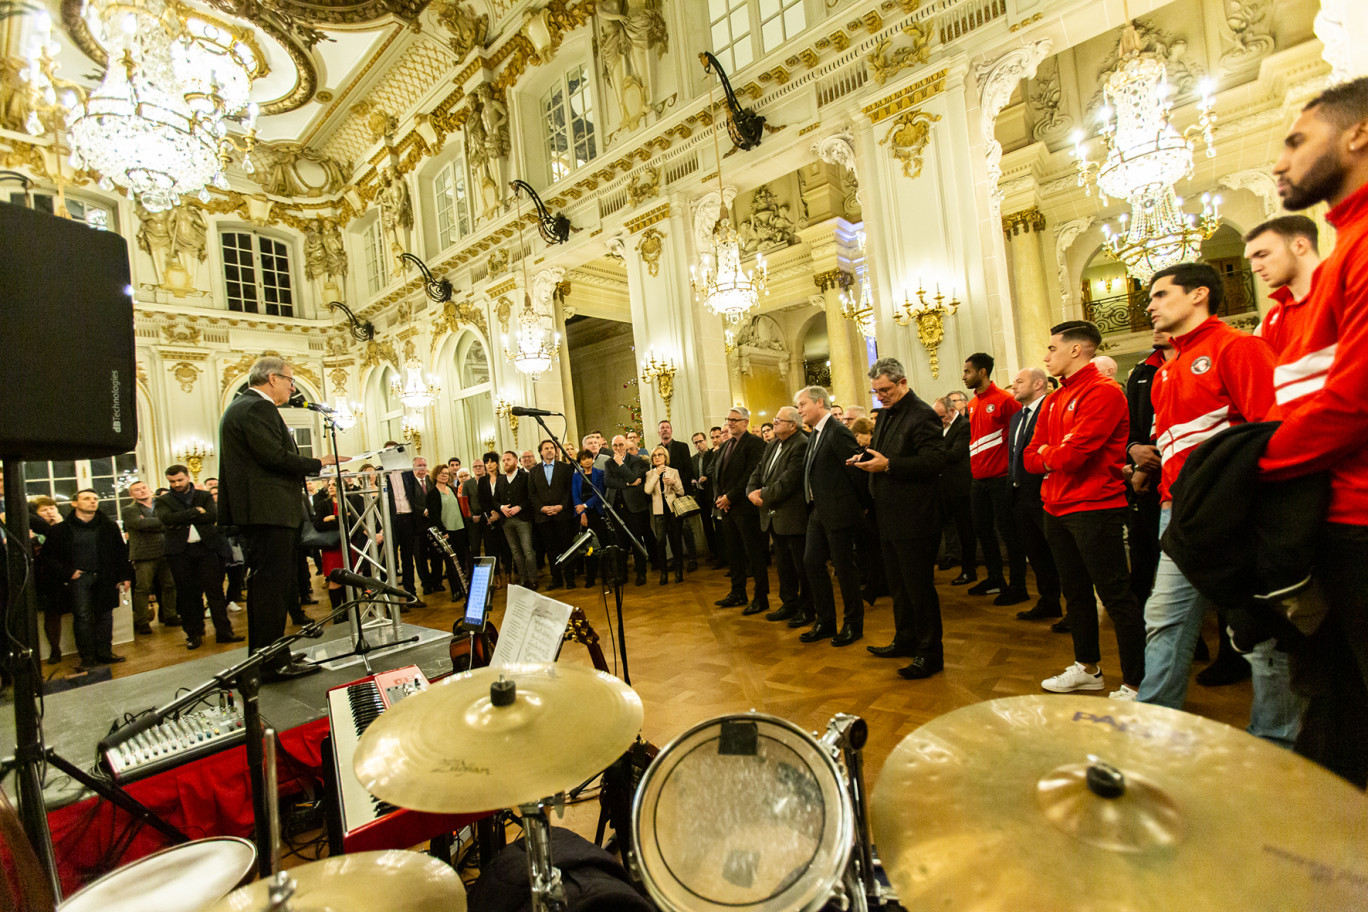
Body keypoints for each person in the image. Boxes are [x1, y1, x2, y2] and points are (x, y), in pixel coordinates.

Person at [1256, 77, 1368, 784]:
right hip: (1335, 510)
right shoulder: (1346, 243)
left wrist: (1249, 470)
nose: (1280, 161)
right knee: (1337, 707)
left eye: (1297, 140)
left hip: (1361, 515)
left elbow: (1354, 400)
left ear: (1357, 135)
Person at [1137, 263, 1299, 742]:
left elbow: (1271, 433)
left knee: (1257, 633)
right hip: (1180, 513)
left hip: (1236, 514)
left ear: (1199, 295)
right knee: (1163, 619)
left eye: (1161, 294)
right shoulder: (1168, 371)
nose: (1150, 305)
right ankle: (1152, 726)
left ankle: (1275, 740)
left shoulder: (1238, 347)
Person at [1024, 322, 1146, 699]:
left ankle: (1135, 682)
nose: (1046, 357)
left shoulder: (1103, 392)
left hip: (1095, 506)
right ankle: (1088, 667)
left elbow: (1074, 456)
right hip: (1056, 506)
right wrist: (1049, 454)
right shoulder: (1057, 398)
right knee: (1074, 593)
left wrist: (1050, 453)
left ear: (1077, 350)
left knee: (1115, 595)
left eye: (1051, 348)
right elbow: (1030, 456)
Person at [218, 356, 336, 682]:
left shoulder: (243, 406)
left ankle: (268, 655)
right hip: (267, 511)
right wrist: (317, 462)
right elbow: (272, 456)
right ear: (272, 378)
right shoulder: (258, 407)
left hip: (262, 511)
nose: (292, 386)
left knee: (266, 587)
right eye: (289, 380)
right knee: (271, 588)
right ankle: (270, 663)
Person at [851, 358, 948, 678]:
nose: (881, 396)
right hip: (891, 515)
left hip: (916, 516)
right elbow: (888, 451)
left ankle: (930, 653)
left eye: (886, 390)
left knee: (918, 588)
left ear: (903, 383)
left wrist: (888, 466)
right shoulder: (889, 414)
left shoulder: (922, 414)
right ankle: (905, 639)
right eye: (876, 391)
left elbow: (934, 462)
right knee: (899, 587)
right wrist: (864, 458)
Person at [795, 386, 866, 646]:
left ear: (819, 403)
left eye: (802, 404)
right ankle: (825, 622)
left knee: (845, 569)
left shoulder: (837, 431)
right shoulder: (815, 433)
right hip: (817, 511)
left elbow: (856, 471)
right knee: (811, 562)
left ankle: (852, 624)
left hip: (838, 511)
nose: (799, 409)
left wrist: (860, 507)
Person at [962, 353, 1027, 605]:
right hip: (978, 479)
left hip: (1000, 479)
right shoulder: (972, 403)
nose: (964, 376)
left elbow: (1018, 440)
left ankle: (1018, 586)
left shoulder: (1005, 400)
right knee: (982, 530)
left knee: (1009, 534)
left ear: (982, 372)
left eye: (968, 371)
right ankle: (995, 578)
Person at [42, 490, 131, 671]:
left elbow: (120, 552)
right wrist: (68, 572)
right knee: (82, 617)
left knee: (105, 615)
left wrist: (124, 575)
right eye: (86, 499)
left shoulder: (108, 526)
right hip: (80, 578)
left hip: (105, 576)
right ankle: (88, 657)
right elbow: (48, 557)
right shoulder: (62, 529)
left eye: (95, 499)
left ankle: (105, 652)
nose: (92, 502)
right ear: (74, 504)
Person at [158, 465, 241, 650]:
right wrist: (195, 512)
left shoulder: (203, 496)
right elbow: (166, 519)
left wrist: (181, 518)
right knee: (188, 594)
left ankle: (224, 632)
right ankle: (194, 634)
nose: (177, 484)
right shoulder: (164, 500)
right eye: (172, 481)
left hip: (206, 548)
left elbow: (212, 516)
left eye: (180, 480)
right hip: (179, 552)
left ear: (188, 477)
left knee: (215, 592)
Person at [1006, 369, 1062, 624]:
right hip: (1021, 493)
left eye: (1019, 381)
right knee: (1036, 552)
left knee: (1059, 553)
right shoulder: (1018, 417)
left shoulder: (1051, 409)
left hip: (1045, 491)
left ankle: (1075, 609)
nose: (1014, 386)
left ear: (1039, 384)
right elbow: (1015, 454)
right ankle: (1048, 601)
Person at [746, 406, 809, 624]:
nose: (774, 423)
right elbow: (758, 471)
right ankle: (788, 603)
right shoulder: (773, 444)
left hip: (793, 515)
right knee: (783, 566)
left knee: (801, 568)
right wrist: (750, 492)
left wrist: (762, 495)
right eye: (774, 419)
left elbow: (789, 482)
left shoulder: (801, 444)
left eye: (778, 420)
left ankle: (807, 608)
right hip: (774, 515)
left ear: (793, 425)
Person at [712, 407, 768, 612]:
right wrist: (720, 498)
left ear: (746, 422)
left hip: (745, 507)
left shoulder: (755, 443)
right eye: (728, 419)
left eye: (735, 419)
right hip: (727, 508)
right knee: (733, 553)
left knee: (753, 555)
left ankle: (761, 597)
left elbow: (750, 474)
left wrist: (729, 497)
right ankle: (738, 592)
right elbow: (718, 474)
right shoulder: (726, 444)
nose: (731, 423)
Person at [1244, 215, 1322, 356]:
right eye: (1250, 261)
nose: (1254, 268)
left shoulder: (1349, 292)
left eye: (1262, 255)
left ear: (1299, 246)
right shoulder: (1270, 322)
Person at [123, 480, 178, 635]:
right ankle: (142, 621)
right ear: (131, 494)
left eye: (144, 488)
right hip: (143, 554)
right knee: (143, 588)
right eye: (137, 490)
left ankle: (170, 615)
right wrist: (163, 523)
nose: (142, 491)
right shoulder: (129, 509)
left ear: (150, 489)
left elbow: (170, 522)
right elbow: (139, 524)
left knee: (169, 585)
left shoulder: (161, 505)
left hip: (166, 551)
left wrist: (155, 524)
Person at [604, 435, 652, 586]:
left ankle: (641, 573)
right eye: (615, 445)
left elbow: (634, 478)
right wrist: (626, 483)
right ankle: (622, 575)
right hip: (617, 508)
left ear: (625, 445)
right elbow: (608, 481)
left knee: (636, 540)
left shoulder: (636, 460)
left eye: (620, 445)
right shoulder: (608, 463)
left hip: (634, 508)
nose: (618, 448)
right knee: (620, 543)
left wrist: (621, 465)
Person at [529, 439, 576, 589]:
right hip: (543, 517)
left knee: (566, 546)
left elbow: (569, 490)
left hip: (562, 515)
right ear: (541, 452)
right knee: (551, 549)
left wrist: (561, 506)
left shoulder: (565, 468)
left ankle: (569, 578)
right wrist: (542, 508)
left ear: (556, 451)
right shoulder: (533, 471)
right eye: (546, 448)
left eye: (552, 448)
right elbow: (532, 494)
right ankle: (556, 579)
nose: (549, 450)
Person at [938, 396, 975, 581]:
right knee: (952, 529)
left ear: (952, 412)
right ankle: (954, 558)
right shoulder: (942, 428)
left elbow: (956, 453)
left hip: (961, 487)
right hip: (946, 487)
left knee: (966, 530)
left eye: (941, 416)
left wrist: (933, 452)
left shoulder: (963, 426)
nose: (939, 421)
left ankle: (969, 570)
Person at [493, 450, 537, 589]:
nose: (505, 462)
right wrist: (501, 508)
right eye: (504, 460)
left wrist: (519, 507)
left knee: (528, 551)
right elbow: (494, 500)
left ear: (516, 461)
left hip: (523, 519)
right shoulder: (500, 479)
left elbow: (531, 497)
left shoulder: (525, 476)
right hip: (506, 521)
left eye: (508, 459)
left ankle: (532, 579)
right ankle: (523, 580)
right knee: (516, 552)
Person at [658, 420, 699, 571]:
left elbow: (688, 469)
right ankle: (677, 560)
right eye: (662, 428)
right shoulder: (657, 450)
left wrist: (675, 481)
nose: (665, 430)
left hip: (681, 493)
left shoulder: (682, 446)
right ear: (658, 432)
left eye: (667, 427)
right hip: (665, 497)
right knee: (671, 531)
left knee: (686, 528)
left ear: (671, 430)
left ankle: (693, 559)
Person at [643, 445, 686, 584]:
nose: (657, 457)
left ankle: (679, 571)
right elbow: (648, 491)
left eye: (660, 455)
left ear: (665, 457)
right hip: (659, 512)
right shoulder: (650, 473)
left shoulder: (674, 471)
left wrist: (673, 483)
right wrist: (656, 474)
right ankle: (663, 573)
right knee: (660, 542)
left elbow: (681, 492)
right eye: (654, 455)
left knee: (675, 541)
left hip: (673, 511)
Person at [427, 464, 471, 595]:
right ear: (435, 475)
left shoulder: (451, 489)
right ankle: (455, 590)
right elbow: (434, 516)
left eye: (446, 473)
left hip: (460, 528)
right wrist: (443, 532)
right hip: (447, 532)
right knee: (452, 562)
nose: (445, 475)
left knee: (462, 559)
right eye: (442, 473)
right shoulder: (433, 494)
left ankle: (463, 586)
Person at [571, 449, 609, 586]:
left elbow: (600, 494)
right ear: (580, 462)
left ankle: (606, 576)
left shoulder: (600, 474)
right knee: (588, 548)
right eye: (583, 459)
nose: (587, 460)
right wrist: (582, 513)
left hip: (596, 513)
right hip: (582, 515)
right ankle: (591, 577)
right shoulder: (576, 476)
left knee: (602, 545)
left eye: (589, 458)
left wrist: (585, 506)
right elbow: (575, 496)